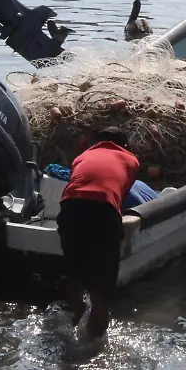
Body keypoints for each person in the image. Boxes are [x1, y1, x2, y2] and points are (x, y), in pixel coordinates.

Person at [57, 127, 140, 339]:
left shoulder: (82, 156)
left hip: (70, 208)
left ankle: (75, 322)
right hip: (103, 211)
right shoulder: (131, 160)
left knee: (73, 276)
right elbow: (119, 196)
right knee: (101, 294)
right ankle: (92, 348)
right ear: (125, 146)